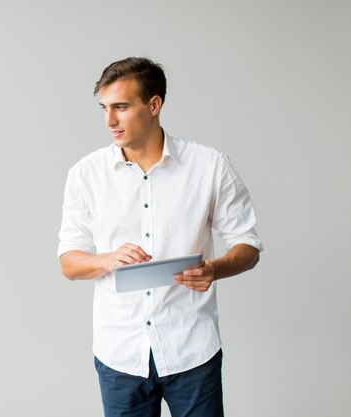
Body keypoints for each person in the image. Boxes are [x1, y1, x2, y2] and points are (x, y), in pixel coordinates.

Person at [57, 57, 263, 417]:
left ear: (154, 105)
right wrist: (106, 259)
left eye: (121, 107)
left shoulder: (209, 166)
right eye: (104, 108)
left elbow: (248, 245)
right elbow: (68, 262)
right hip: (120, 354)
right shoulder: (85, 175)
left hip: (192, 347)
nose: (109, 121)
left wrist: (214, 268)